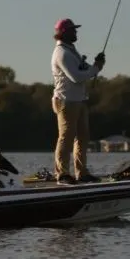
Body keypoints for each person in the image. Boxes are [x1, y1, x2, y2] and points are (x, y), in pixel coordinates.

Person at [51, 18, 106, 183]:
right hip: (66, 102)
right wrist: (95, 69)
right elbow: (76, 77)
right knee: (66, 138)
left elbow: (85, 70)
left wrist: (97, 65)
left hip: (79, 100)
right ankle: (62, 174)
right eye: (73, 30)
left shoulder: (71, 50)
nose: (76, 33)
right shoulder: (62, 53)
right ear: (64, 33)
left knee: (83, 138)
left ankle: (81, 173)